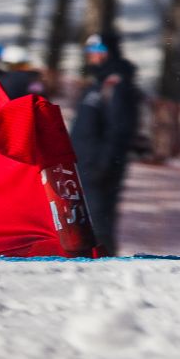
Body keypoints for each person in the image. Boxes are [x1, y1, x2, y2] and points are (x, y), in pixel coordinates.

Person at [69, 33, 142, 254]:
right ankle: (91, 258)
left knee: (98, 221)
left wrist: (104, 162)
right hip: (86, 164)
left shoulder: (115, 83)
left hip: (100, 166)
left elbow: (119, 128)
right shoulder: (98, 83)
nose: (93, 57)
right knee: (86, 221)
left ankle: (103, 264)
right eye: (89, 52)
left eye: (98, 51)